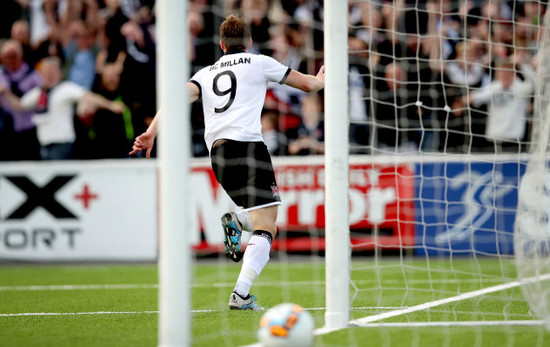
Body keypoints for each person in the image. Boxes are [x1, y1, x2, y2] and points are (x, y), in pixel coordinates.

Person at [129, 14, 325, 310]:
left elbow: (175, 97)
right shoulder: (259, 62)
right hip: (248, 148)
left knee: (268, 225)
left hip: (218, 155)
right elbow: (308, 86)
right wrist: (321, 80)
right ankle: (241, 294)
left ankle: (236, 222)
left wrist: (151, 132)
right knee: (267, 228)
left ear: (221, 44)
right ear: (248, 42)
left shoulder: (206, 73)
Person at [0, 56, 124, 160]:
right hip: (43, 144)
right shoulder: (39, 93)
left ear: (59, 73)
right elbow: (20, 106)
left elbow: (88, 96)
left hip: (61, 143)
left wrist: (110, 105)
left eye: (52, 72)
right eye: (46, 72)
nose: (49, 76)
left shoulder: (65, 89)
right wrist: (6, 93)